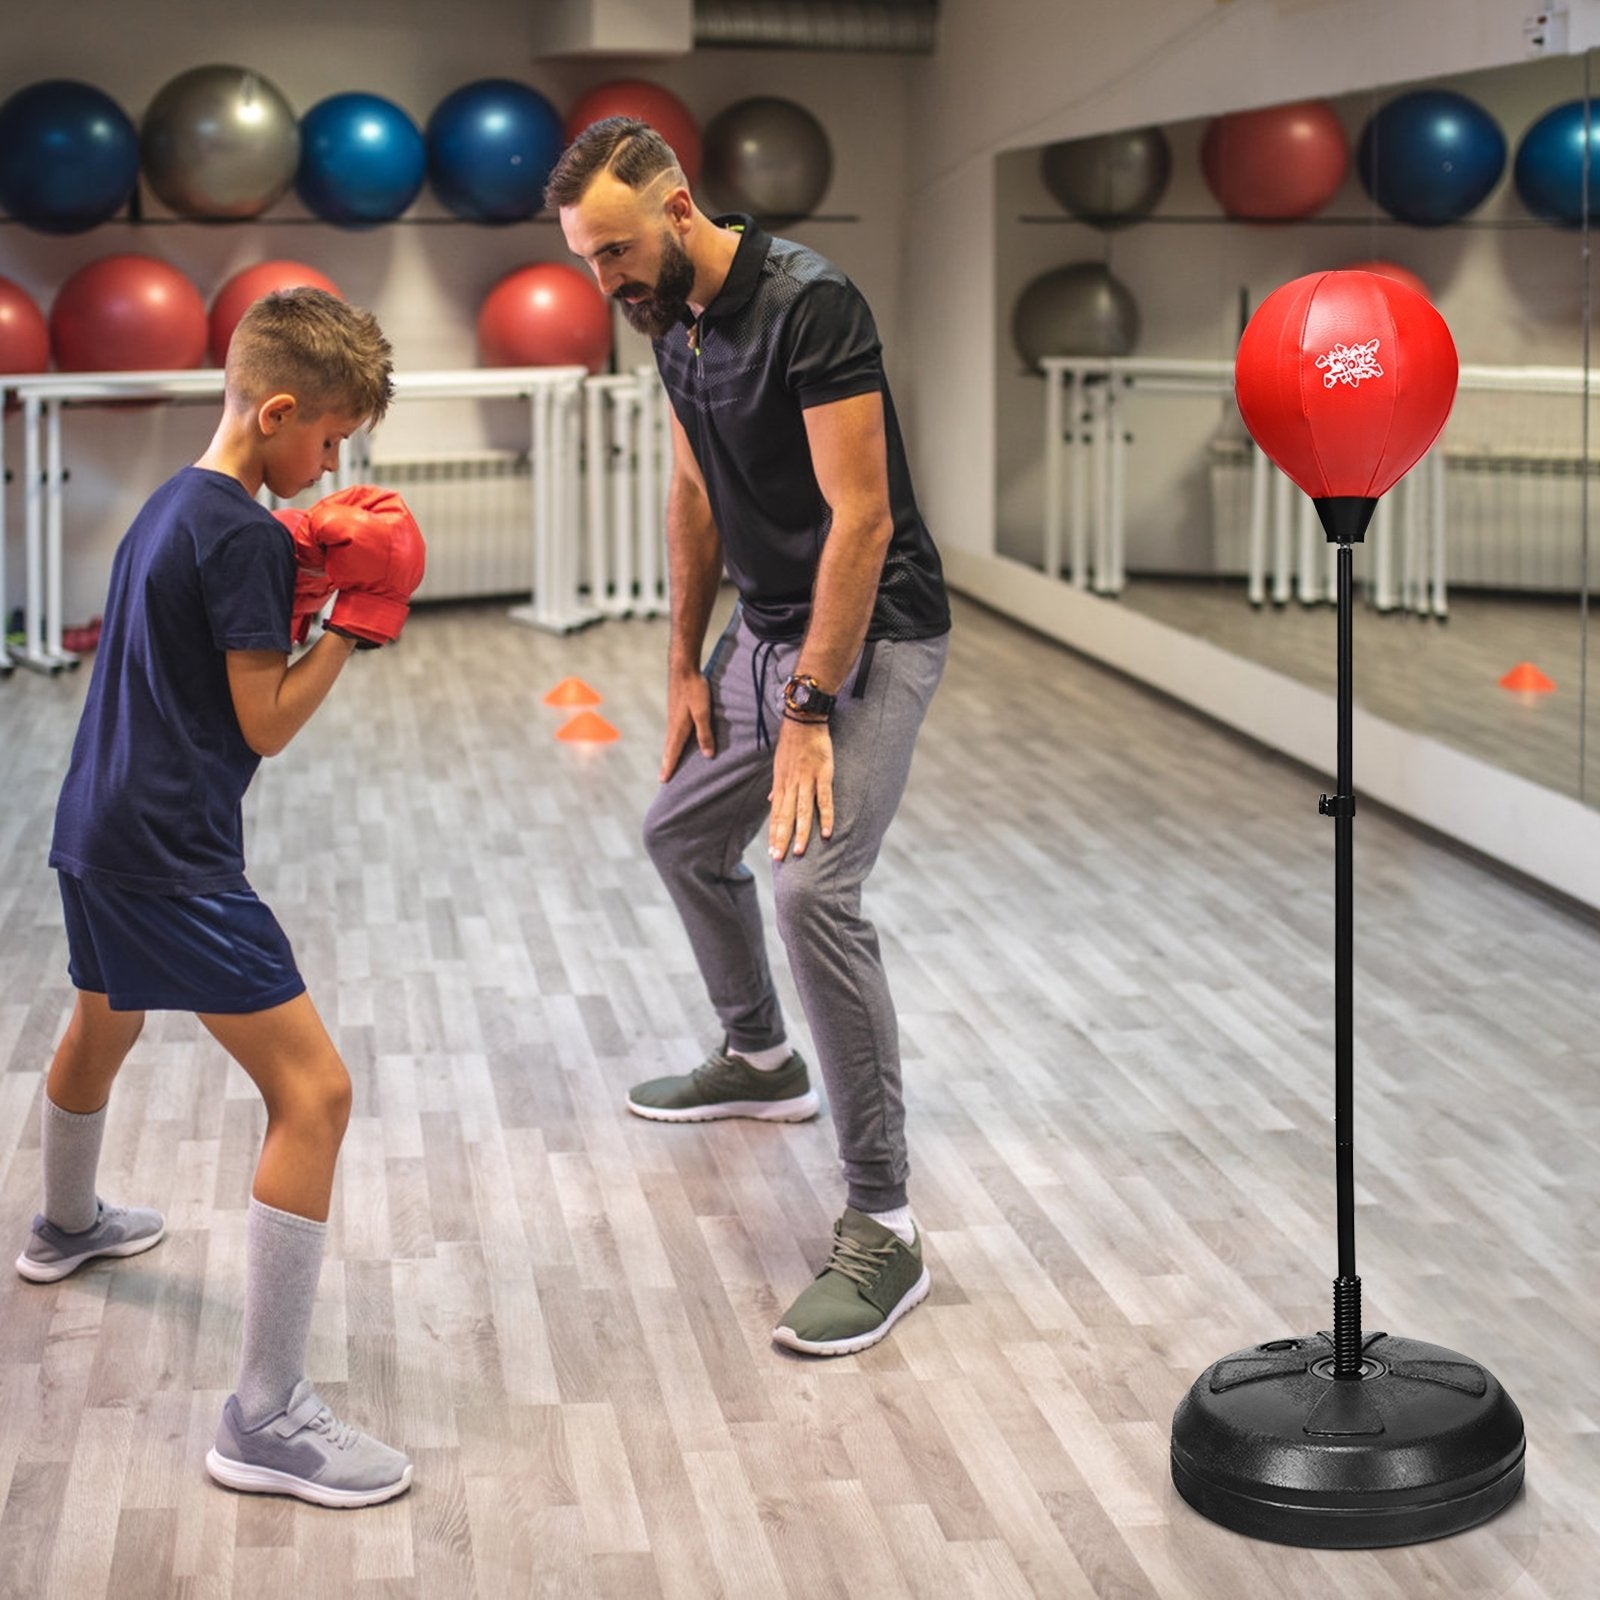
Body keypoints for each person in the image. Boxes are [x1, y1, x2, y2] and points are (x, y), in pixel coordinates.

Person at [14, 288, 425, 1508]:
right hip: (170, 850)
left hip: (93, 824)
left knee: (105, 1017)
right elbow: (268, 722)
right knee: (317, 1091)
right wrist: (357, 620)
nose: (333, 466)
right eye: (331, 438)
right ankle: (266, 1414)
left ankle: (66, 1223)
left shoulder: (175, 506)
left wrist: (296, 563)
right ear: (282, 408)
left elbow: (200, 641)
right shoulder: (246, 534)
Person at [548, 119, 951, 1357]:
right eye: (585, 259)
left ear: (676, 211)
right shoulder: (671, 324)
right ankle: (761, 1054)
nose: (602, 279)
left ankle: (883, 1219)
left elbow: (864, 518)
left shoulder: (810, 306)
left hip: (868, 635)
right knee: (678, 832)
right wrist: (680, 660)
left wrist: (809, 711)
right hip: (762, 633)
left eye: (614, 248)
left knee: (813, 891)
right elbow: (690, 492)